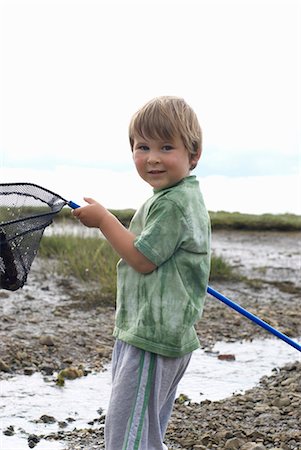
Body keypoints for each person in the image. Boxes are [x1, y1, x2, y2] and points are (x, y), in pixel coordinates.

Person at [73, 96, 211, 450]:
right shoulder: (170, 196)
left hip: (154, 335)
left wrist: (104, 220)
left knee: (127, 437)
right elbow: (149, 248)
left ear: (193, 155)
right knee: (141, 429)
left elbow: (142, 259)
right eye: (142, 146)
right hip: (145, 330)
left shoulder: (175, 203)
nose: (152, 157)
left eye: (166, 147)